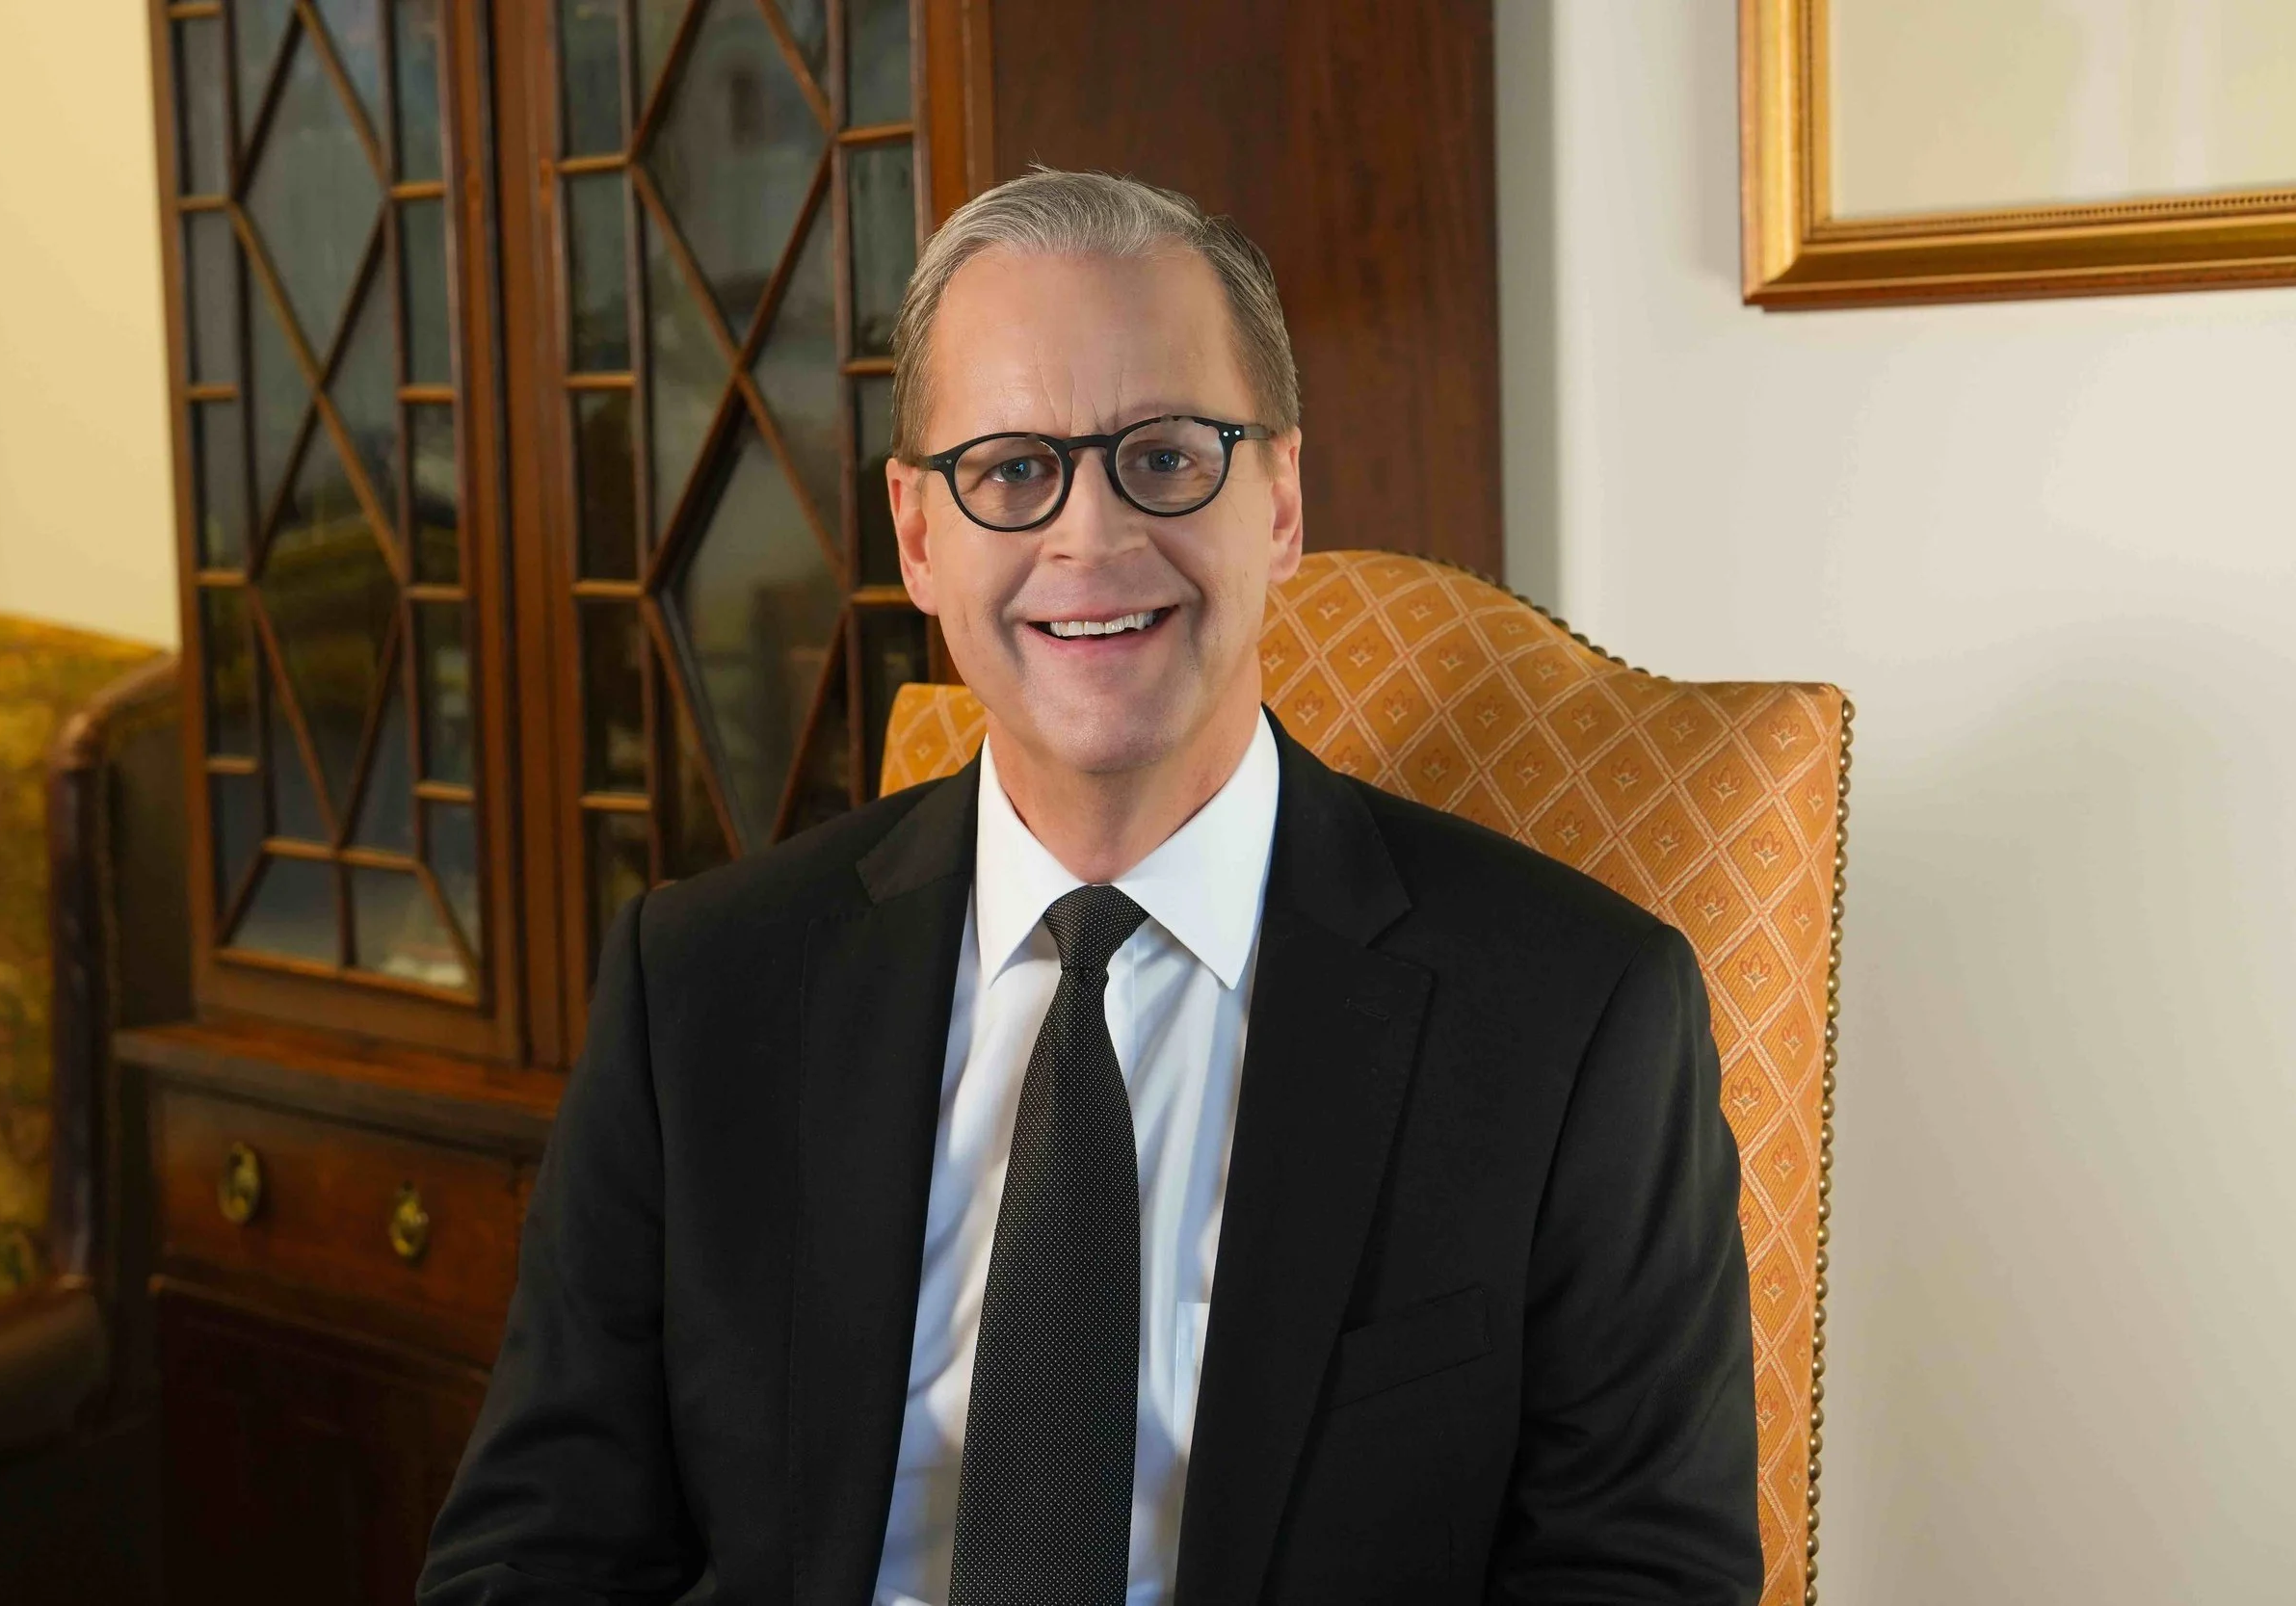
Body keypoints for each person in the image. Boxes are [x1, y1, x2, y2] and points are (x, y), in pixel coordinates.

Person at [419, 169, 1761, 1606]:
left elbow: (1644, 1579)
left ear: (1281, 500)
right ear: (917, 537)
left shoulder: (1576, 1016)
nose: (1092, 540)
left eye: (1166, 457)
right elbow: (529, 1558)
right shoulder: (698, 989)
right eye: (1011, 470)